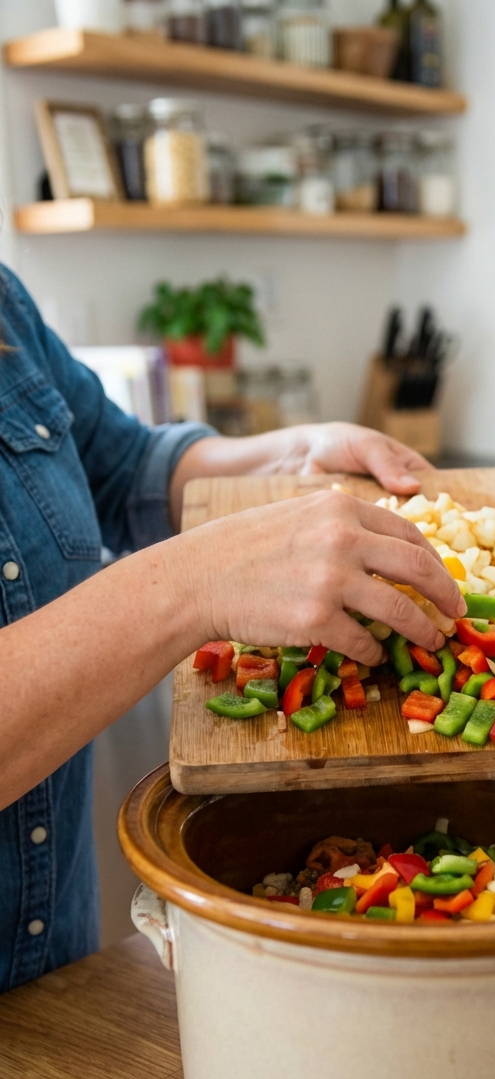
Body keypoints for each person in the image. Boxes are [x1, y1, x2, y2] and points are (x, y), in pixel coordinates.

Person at [0, 264, 464, 993]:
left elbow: (126, 469)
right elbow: (190, 570)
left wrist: (288, 460)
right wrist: (199, 580)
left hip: (56, 981)